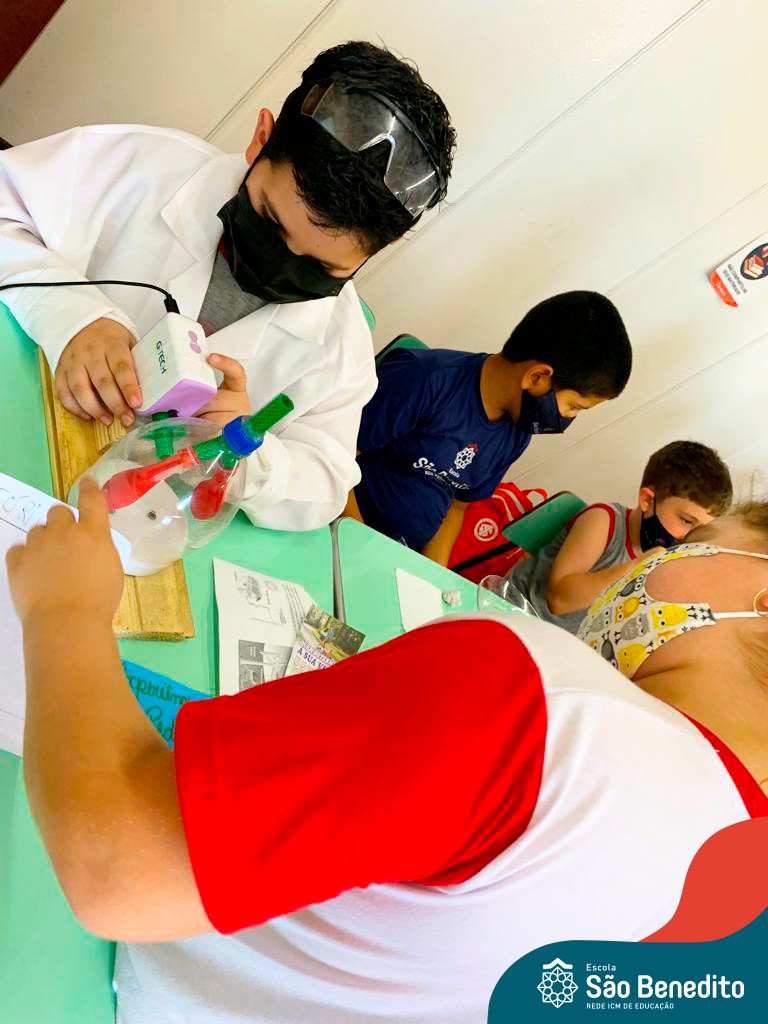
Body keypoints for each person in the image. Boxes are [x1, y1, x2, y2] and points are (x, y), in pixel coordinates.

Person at [8, 479, 767, 1024]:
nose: (650, 562)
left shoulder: (539, 703)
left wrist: (63, 607)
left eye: (693, 545)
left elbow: (115, 864)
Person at [0, 42, 455, 530]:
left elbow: (326, 481)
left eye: (319, 267)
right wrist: (71, 314)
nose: (280, 264)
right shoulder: (142, 167)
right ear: (261, 140)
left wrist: (248, 457)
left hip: (135, 518)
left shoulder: (342, 349)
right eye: (269, 220)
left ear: (384, 247)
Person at [345, 291, 632, 564]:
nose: (570, 417)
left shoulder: (516, 435)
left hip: (396, 555)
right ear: (536, 377)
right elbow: (337, 455)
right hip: (342, 532)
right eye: (574, 406)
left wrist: (429, 573)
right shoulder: (424, 379)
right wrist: (358, 547)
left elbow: (457, 505)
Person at [510, 440, 733, 633]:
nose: (689, 537)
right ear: (647, 500)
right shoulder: (603, 521)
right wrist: (635, 567)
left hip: (557, 644)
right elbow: (559, 600)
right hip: (516, 614)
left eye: (700, 530)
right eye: (686, 520)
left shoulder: (663, 564)